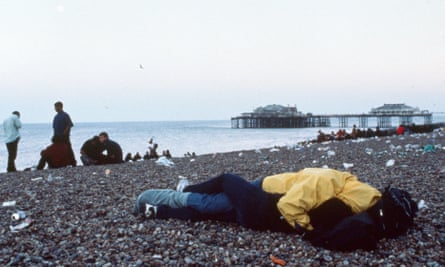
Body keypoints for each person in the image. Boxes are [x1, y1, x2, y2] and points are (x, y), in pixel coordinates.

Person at [134, 168, 418, 251]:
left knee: (223, 184)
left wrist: (305, 229)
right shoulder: (349, 207)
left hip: (264, 197)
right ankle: (158, 212)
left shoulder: (331, 182)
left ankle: (181, 193)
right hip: (266, 212)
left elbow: (289, 204)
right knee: (217, 211)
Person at [53, 101, 76, 166]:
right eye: (55, 107)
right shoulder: (56, 116)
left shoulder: (65, 115)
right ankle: (62, 163)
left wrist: (64, 134)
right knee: (58, 150)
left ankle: (73, 163)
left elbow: (69, 125)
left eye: (56, 107)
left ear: (60, 107)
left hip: (64, 136)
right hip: (57, 137)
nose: (55, 108)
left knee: (68, 149)